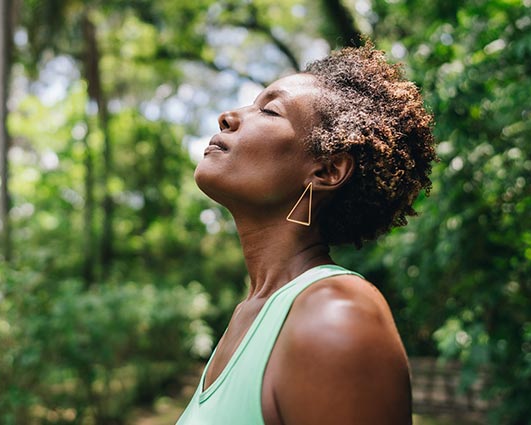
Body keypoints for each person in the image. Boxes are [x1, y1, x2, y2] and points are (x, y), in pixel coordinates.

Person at [177, 43, 437, 425]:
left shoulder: (335, 313)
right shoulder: (251, 314)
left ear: (326, 171)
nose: (228, 117)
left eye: (269, 110)